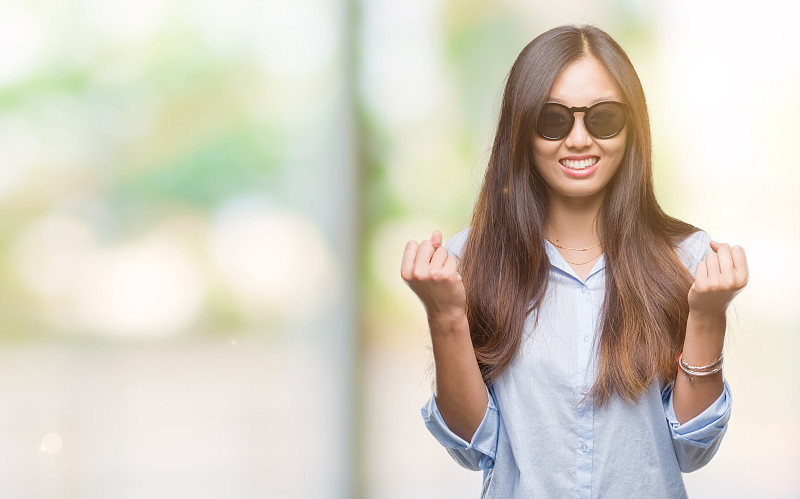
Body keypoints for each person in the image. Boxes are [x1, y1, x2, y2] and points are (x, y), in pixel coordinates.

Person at [400, 25, 748, 498]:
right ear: (521, 130)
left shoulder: (685, 259)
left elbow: (693, 452)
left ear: (633, 127)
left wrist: (708, 317)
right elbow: (472, 448)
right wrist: (445, 316)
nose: (580, 139)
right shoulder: (470, 261)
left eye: (603, 118)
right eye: (553, 119)